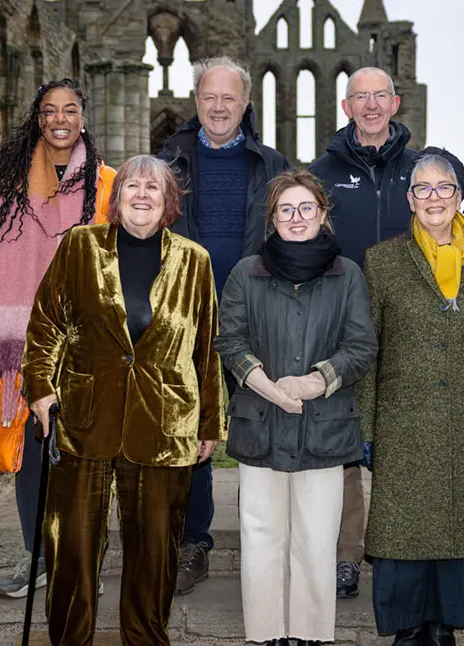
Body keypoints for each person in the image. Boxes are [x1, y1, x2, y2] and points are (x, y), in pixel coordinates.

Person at [22, 154, 225, 645]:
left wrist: (209, 423)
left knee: (155, 552)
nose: (141, 195)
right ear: (116, 199)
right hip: (85, 418)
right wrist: (41, 389)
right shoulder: (80, 246)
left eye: (152, 189)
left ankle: (146, 638)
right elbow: (46, 322)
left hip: (164, 422)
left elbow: (206, 347)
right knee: (71, 547)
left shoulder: (195, 260)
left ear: (168, 201)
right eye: (132, 186)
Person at [0, 78, 116, 599]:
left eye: (70, 109)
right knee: (30, 452)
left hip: (85, 342)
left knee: (82, 454)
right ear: (38, 120)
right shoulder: (5, 183)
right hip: (18, 341)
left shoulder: (106, 184)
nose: (60, 119)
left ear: (84, 117)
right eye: (49, 111)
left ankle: (82, 558)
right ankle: (34, 554)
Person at [360, 150, 464, 645]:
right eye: (423, 189)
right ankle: (408, 625)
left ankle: (445, 624)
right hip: (405, 413)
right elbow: (370, 348)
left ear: (460, 197)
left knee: (463, 520)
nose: (434, 198)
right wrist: (366, 428)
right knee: (405, 526)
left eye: (444, 188)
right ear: (410, 200)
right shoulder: (382, 261)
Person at [216, 170, 378, 645]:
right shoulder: (246, 273)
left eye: (306, 208)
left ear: (323, 214)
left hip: (324, 424)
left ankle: (310, 636)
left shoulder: (347, 275)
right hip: (260, 421)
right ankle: (265, 635)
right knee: (262, 537)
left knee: (314, 540)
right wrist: (265, 385)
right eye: (285, 209)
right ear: (272, 220)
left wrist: (313, 382)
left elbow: (360, 345)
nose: (296, 217)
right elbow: (231, 338)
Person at [156, 56, 290, 595]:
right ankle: (193, 543)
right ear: (197, 102)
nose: (218, 106)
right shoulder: (170, 161)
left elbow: (289, 236)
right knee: (190, 431)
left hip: (252, 314)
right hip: (184, 313)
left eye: (229, 98)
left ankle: (275, 539)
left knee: (263, 425)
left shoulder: (272, 163)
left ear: (245, 104)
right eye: (209, 97)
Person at [307, 66, 417, 599]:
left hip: (411, 324)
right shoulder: (321, 172)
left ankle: (399, 548)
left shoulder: (423, 168)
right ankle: (346, 554)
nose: (371, 105)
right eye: (360, 97)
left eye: (380, 96)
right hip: (342, 323)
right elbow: (306, 243)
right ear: (346, 106)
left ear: (395, 104)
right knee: (346, 442)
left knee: (403, 438)